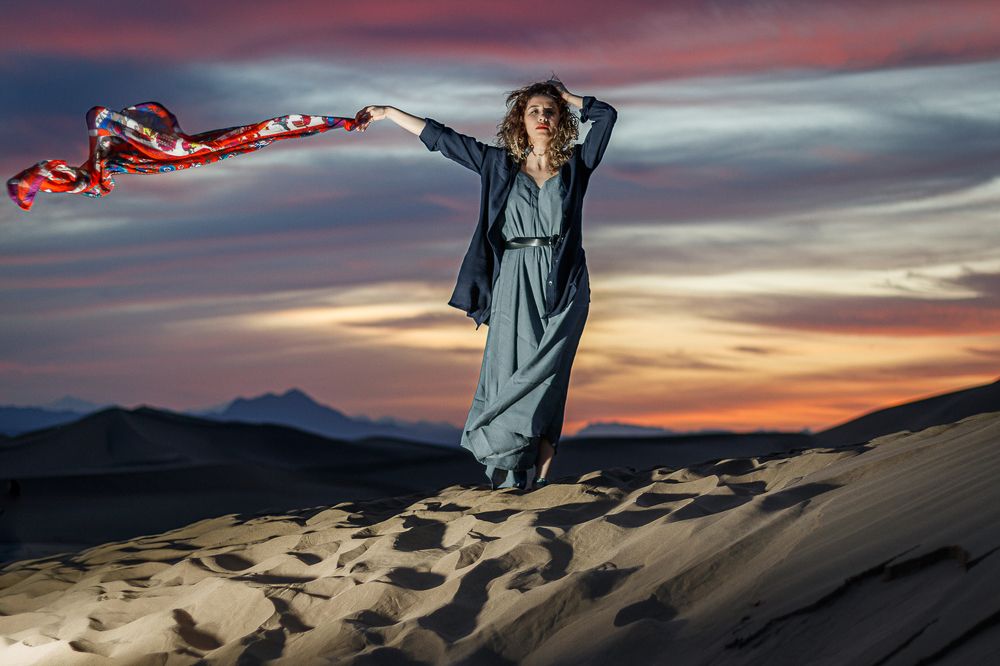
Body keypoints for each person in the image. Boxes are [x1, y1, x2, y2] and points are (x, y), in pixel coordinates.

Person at [355, 77, 617, 491]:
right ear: (521, 120)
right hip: (513, 277)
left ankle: (544, 469)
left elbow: (606, 117)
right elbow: (443, 139)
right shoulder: (497, 164)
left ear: (561, 118)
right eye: (534, 111)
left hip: (562, 281)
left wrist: (568, 97)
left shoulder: (576, 165)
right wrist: (388, 113)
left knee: (548, 372)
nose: (542, 117)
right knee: (511, 371)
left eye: (550, 111)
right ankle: (513, 472)